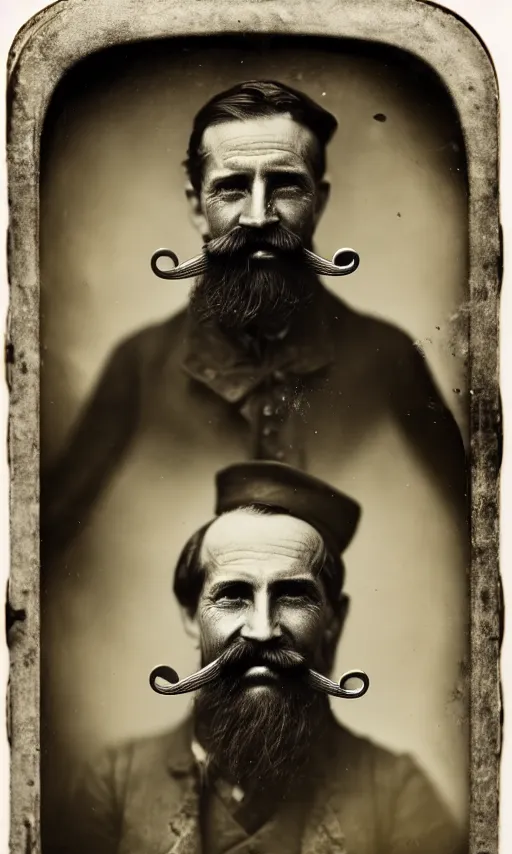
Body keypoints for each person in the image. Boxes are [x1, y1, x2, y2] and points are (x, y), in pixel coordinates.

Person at [41, 78, 467, 565]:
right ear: (197, 206)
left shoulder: (389, 356)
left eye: (285, 185)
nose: (259, 216)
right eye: (232, 188)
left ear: (320, 202)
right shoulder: (138, 364)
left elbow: (481, 525)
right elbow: (44, 538)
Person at [47, 463, 466, 854]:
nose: (263, 629)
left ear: (335, 618)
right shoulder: (113, 786)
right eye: (233, 596)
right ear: (190, 615)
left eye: (293, 596)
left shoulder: (399, 796)